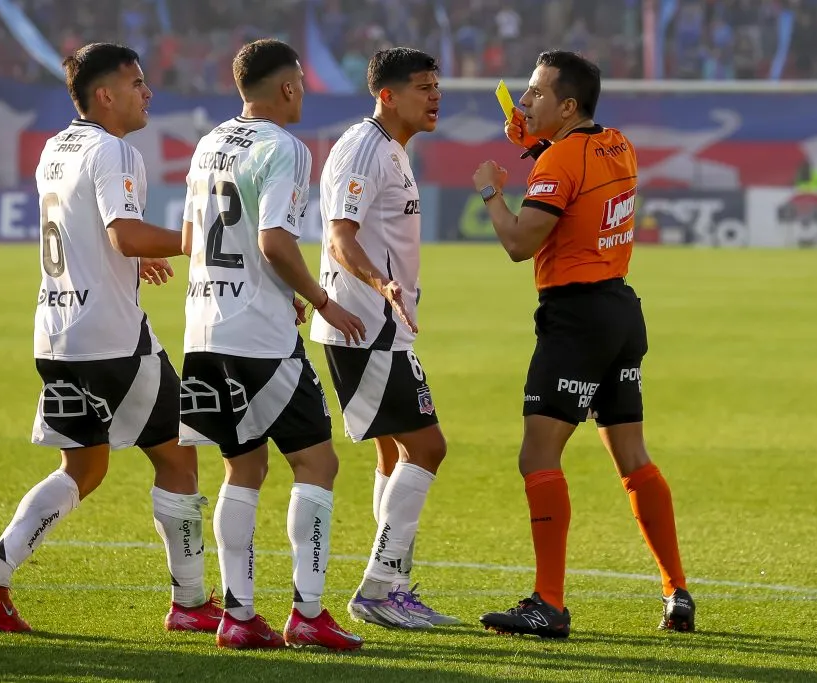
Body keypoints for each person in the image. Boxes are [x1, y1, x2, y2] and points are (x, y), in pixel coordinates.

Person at [0, 43, 222, 635]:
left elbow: (91, 235)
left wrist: (129, 260)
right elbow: (124, 234)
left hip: (55, 334)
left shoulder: (56, 147)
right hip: (112, 339)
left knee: (82, 466)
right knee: (179, 458)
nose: (147, 91)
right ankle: (191, 601)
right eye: (136, 82)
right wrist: (193, 238)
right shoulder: (116, 150)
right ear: (105, 94)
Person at [472, 50, 695, 638]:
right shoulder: (616, 142)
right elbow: (575, 167)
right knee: (632, 457)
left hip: (575, 318)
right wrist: (542, 143)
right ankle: (677, 590)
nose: (523, 103)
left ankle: (549, 602)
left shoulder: (562, 159)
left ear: (567, 105)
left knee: (538, 455)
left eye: (536, 94)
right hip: (620, 310)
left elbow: (521, 243)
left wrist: (492, 191)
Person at [178, 38, 365, 651]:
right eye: (302, 83)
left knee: (244, 465)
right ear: (286, 87)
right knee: (317, 462)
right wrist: (321, 298)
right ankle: (308, 613)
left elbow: (191, 235)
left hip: (204, 330)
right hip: (260, 337)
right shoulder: (285, 148)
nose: (304, 93)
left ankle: (237, 615)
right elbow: (275, 242)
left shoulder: (209, 143)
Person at [309, 47, 457, 629]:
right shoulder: (364, 148)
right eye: (424, 87)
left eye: (436, 85)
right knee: (428, 448)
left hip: (379, 324)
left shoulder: (391, 149)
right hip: (366, 325)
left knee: (394, 452)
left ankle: (391, 584)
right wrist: (383, 284)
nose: (435, 96)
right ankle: (378, 589)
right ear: (388, 95)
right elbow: (339, 237)